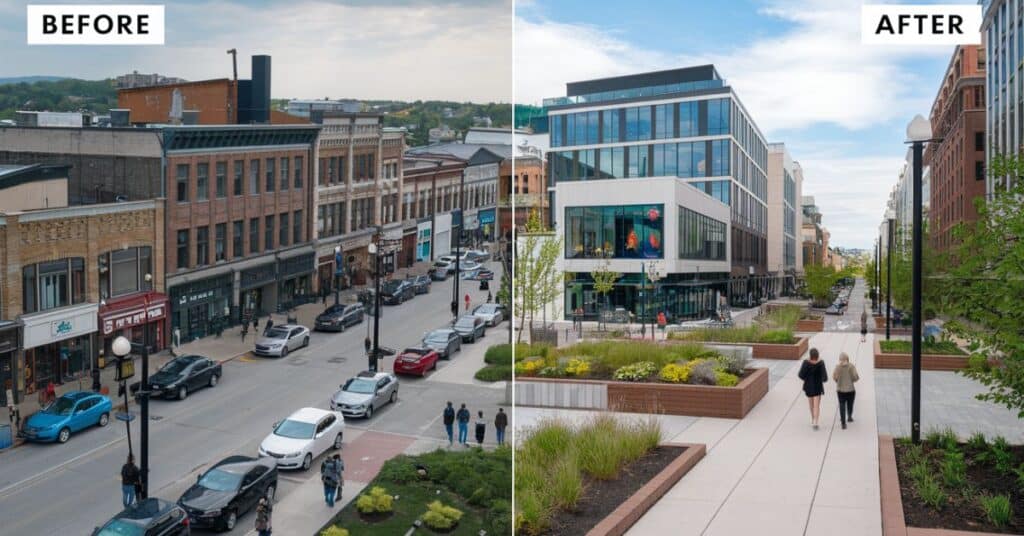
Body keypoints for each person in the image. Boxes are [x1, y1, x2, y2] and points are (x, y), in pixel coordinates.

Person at [798, 348, 828, 429]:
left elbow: (800, 375)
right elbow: (825, 378)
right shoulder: (821, 363)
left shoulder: (805, 362)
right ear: (817, 355)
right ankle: (816, 422)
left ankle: (813, 419)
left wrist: (806, 378)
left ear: (810, 355)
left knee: (811, 405)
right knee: (817, 405)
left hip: (808, 386)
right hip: (818, 386)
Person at [833, 352, 860, 429]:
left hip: (840, 390)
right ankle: (849, 416)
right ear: (847, 359)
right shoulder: (851, 366)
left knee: (842, 405)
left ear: (840, 360)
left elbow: (834, 377)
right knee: (850, 404)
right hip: (850, 390)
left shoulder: (837, 367)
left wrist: (838, 381)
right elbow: (855, 377)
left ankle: (843, 423)